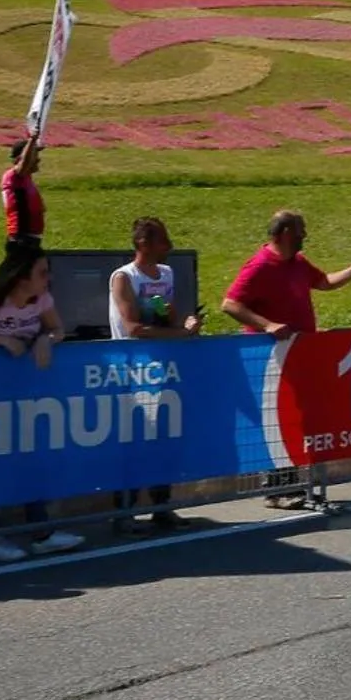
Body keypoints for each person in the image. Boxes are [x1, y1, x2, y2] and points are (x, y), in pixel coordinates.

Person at [0, 248, 85, 562]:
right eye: (41, 273)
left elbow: (58, 328)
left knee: (30, 460)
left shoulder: (42, 300)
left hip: (24, 394)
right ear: (22, 277)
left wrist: (44, 339)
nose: (48, 279)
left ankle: (42, 533)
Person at [109, 217, 204, 534]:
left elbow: (166, 317)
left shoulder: (166, 273)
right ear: (143, 245)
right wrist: (179, 334)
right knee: (133, 442)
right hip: (131, 371)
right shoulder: (123, 278)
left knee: (165, 439)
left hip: (164, 369)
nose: (170, 246)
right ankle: (123, 512)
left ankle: (162, 507)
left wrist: (185, 325)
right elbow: (134, 328)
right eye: (163, 240)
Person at [220, 209, 351, 337]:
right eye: (301, 230)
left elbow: (325, 282)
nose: (305, 235)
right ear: (287, 233)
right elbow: (230, 305)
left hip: (298, 347)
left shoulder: (298, 261)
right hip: (272, 354)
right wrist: (268, 325)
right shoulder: (260, 266)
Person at [1, 137, 46, 248]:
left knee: (41, 264)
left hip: (29, 238)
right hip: (22, 238)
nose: (38, 159)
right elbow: (24, 163)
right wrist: (32, 140)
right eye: (34, 155)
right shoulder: (13, 176)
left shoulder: (26, 179)